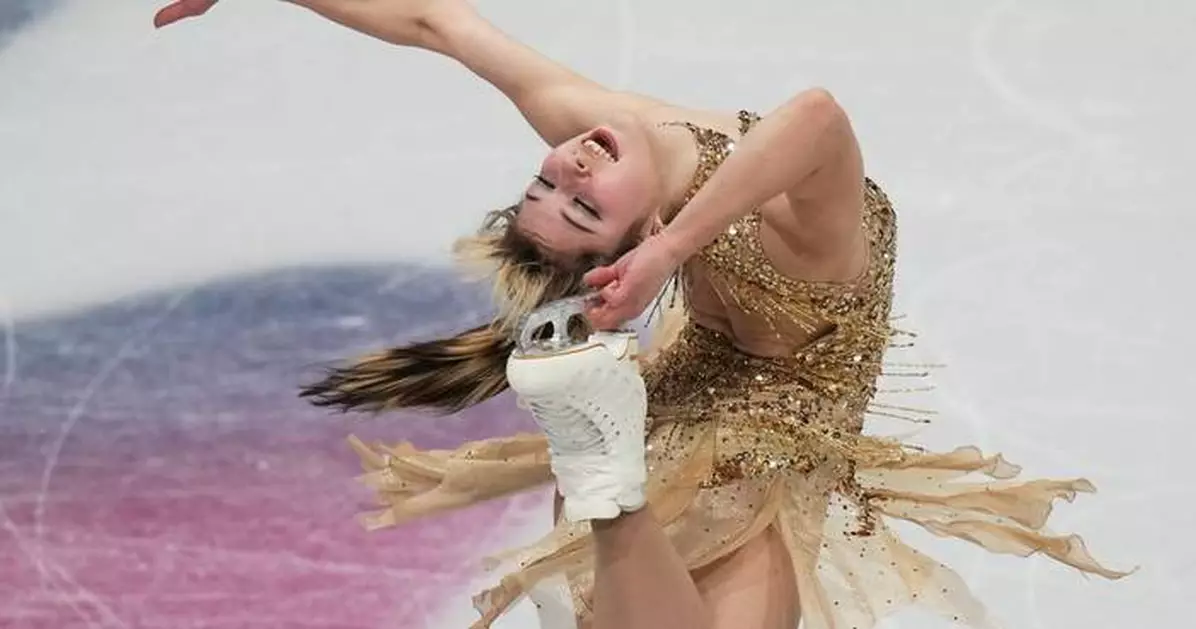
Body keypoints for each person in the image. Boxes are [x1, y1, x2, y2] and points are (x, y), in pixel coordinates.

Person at [154, 2, 1132, 629]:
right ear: (642, 237)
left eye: (553, 179)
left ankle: (605, 482)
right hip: (748, 412)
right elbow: (817, 119)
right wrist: (668, 249)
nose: (571, 163)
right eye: (580, 203)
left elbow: (436, 23)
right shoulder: (798, 234)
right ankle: (606, 481)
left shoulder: (609, 141)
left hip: (763, 411)